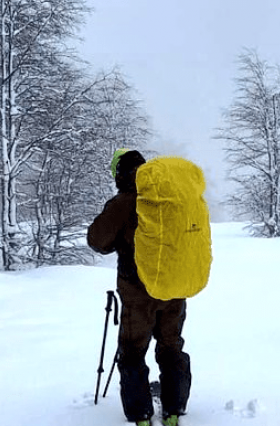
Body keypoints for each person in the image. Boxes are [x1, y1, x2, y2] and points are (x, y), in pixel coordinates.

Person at [88, 149, 191, 426]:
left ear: (119, 175)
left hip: (138, 294)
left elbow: (98, 241)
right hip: (173, 289)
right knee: (171, 348)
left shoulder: (123, 203)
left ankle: (141, 416)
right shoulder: (171, 197)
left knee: (132, 352)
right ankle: (173, 411)